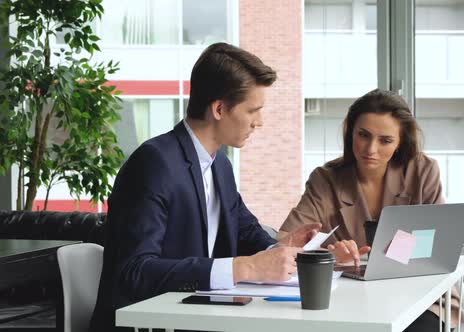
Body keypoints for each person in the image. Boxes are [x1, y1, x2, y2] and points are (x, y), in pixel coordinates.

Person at [90, 43, 320, 332]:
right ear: (219, 109)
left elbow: (244, 230)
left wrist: (285, 249)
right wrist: (245, 268)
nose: (258, 122)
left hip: (195, 318)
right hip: (147, 325)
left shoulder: (219, 165)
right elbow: (133, 272)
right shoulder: (154, 163)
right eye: (253, 110)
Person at [278, 88, 464, 331]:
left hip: (416, 292)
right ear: (351, 133)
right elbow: (286, 241)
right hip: (346, 297)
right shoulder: (325, 179)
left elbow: (438, 244)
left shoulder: (423, 171)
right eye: (363, 135)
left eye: (385, 140)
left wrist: (395, 251)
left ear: (400, 142)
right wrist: (329, 257)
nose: (370, 149)